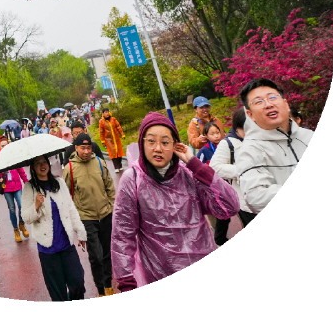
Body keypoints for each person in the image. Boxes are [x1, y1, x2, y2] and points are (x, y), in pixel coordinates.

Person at [111, 112, 239, 290]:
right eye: (151, 141)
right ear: (142, 144)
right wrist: (126, 281)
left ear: (175, 145)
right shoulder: (132, 179)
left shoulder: (188, 173)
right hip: (161, 273)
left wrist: (196, 165)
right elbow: (123, 235)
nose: (158, 148)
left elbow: (229, 206)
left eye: (165, 142)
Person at [236, 78, 314, 214]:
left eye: (272, 97)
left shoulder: (309, 136)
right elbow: (256, 198)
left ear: (286, 104)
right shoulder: (249, 150)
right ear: (250, 114)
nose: (268, 104)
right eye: (258, 102)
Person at [21, 154, 88, 301]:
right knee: (58, 293)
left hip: (66, 245)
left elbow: (71, 208)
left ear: (48, 163)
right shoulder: (29, 188)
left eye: (44, 162)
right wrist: (36, 206)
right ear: (33, 168)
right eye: (38, 163)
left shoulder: (59, 182)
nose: (42, 165)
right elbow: (26, 217)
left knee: (77, 283)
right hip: (48, 249)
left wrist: (81, 232)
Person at [63, 133, 116, 297]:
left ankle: (108, 285)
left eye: (88, 148)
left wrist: (112, 206)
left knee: (107, 253)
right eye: (82, 148)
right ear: (76, 148)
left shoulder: (99, 162)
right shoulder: (69, 169)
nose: (86, 151)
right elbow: (66, 198)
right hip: (86, 218)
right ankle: (100, 289)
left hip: (105, 214)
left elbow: (109, 186)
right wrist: (76, 225)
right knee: (96, 256)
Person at [209, 107, 256, 243]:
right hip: (244, 198)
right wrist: (241, 171)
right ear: (238, 127)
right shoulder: (228, 143)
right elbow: (215, 167)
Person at [0, 137, 30, 243]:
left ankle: (22, 224)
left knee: (21, 206)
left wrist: (26, 182)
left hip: (17, 186)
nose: (4, 147)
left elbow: (21, 171)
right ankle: (16, 230)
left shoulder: (14, 157)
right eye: (2, 145)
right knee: (12, 209)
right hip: (6, 188)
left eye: (6, 145)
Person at [98, 108, 125, 172]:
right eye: (105, 112)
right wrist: (102, 141)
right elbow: (101, 132)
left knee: (119, 152)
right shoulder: (101, 122)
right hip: (109, 140)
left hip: (116, 139)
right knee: (113, 154)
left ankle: (120, 165)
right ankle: (116, 167)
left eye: (107, 112)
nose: (107, 113)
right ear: (103, 114)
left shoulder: (113, 119)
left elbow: (118, 126)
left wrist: (122, 134)